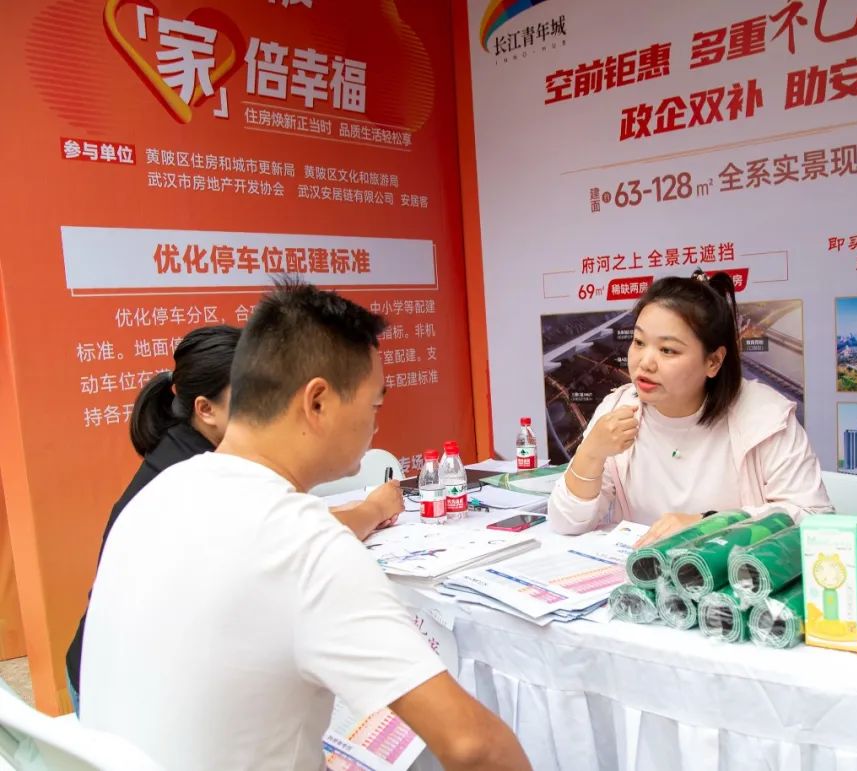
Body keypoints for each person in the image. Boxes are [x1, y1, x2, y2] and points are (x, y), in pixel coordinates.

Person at [80, 281, 530, 771]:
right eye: (374, 406)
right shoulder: (305, 543)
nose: (376, 426)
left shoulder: (157, 494)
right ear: (317, 402)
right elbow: (474, 746)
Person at [66, 325, 403, 712]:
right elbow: (299, 534)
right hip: (120, 694)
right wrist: (374, 509)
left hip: (116, 670)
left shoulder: (183, 454)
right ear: (205, 410)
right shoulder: (199, 476)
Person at [547, 270, 831, 547]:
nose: (645, 362)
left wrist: (709, 524)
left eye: (668, 350)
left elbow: (814, 519)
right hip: (644, 572)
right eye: (639, 342)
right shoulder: (619, 408)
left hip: (733, 574)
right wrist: (591, 453)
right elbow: (566, 522)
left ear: (713, 362)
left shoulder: (766, 417)